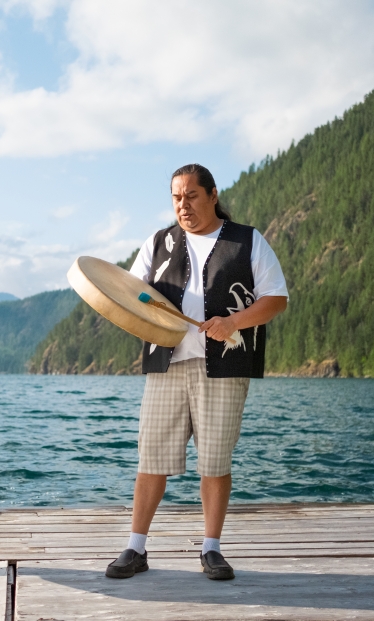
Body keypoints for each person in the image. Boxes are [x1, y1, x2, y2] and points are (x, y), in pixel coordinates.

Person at [105, 163, 288, 581]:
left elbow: (277, 299)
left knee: (215, 461)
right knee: (150, 458)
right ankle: (135, 548)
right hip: (166, 365)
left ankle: (211, 549)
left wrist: (235, 322)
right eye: (175, 198)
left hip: (223, 368)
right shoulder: (157, 243)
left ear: (213, 195)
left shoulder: (247, 240)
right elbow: (132, 295)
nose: (182, 206)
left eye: (190, 196)